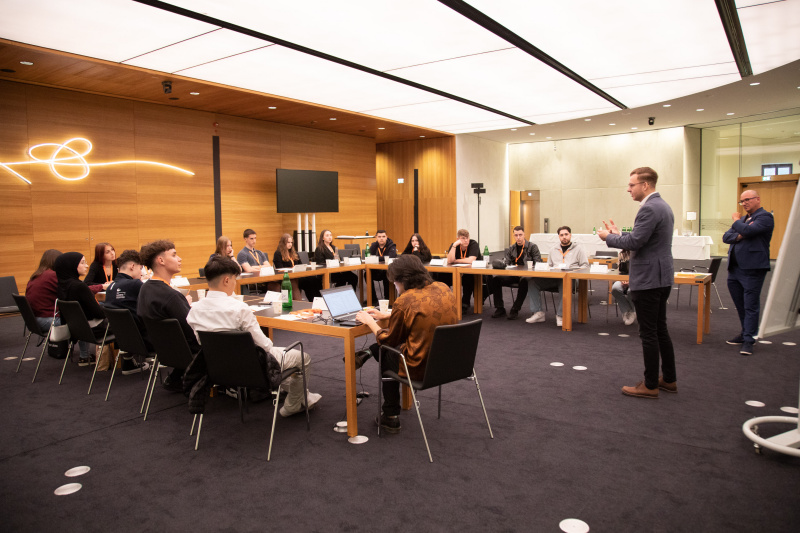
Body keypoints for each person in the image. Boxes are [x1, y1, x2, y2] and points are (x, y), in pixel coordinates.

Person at [187, 256, 321, 416]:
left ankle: (303, 396)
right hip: (251, 369)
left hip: (215, 368)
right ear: (226, 280)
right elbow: (265, 346)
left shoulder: (194, 310)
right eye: (235, 280)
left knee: (280, 362)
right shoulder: (239, 308)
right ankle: (293, 405)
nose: (235, 283)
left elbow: (202, 341)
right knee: (302, 358)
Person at [355, 254, 457, 433]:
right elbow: (425, 311)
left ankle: (390, 416)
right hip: (450, 363)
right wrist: (389, 314)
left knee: (385, 352)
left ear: (402, 280)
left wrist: (369, 321)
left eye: (394, 281)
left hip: (421, 366)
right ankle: (368, 353)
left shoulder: (405, 300)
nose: (394, 285)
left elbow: (388, 340)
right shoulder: (442, 287)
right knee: (397, 345)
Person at [598, 166, 676, 399]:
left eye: (632, 185)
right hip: (661, 277)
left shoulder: (649, 208)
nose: (628, 189)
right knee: (660, 330)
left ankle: (650, 385)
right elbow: (642, 241)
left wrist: (609, 237)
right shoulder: (663, 206)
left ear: (645, 185)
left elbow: (636, 241)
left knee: (649, 333)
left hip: (649, 279)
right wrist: (620, 234)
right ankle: (669, 379)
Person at [137, 240, 196, 392]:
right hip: (188, 352)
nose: (179, 259)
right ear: (161, 260)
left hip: (164, 350)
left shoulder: (145, 288)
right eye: (174, 255)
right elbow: (193, 330)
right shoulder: (171, 296)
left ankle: (177, 377)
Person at [722, 189, 774, 356]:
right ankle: (745, 332)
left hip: (753, 269)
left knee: (751, 305)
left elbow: (749, 232)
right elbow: (726, 237)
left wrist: (737, 222)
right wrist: (740, 233)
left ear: (757, 199)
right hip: (735, 269)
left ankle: (749, 340)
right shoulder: (744, 220)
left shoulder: (765, 217)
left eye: (747, 200)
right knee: (740, 304)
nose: (744, 203)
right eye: (742, 201)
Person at [526, 226, 588, 326]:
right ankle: (538, 313)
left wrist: (573, 270)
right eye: (561, 235)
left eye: (566, 234)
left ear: (570, 235)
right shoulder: (553, 249)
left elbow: (585, 266)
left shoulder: (579, 249)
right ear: (558, 236)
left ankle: (561, 315)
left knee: (565, 283)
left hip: (571, 278)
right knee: (532, 282)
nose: (564, 237)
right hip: (554, 277)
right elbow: (549, 266)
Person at [54, 252, 107, 366]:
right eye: (83, 263)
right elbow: (99, 314)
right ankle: (129, 361)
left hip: (76, 329)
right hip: (93, 328)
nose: (87, 266)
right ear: (71, 266)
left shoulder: (62, 285)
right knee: (127, 321)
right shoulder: (79, 286)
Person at [104, 249, 152, 374]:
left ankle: (129, 360)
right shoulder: (135, 284)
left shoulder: (110, 287)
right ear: (132, 266)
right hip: (144, 341)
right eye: (140, 268)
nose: (141, 272)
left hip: (123, 339)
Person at [489, 226, 541, 320]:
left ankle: (515, 309)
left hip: (527, 275)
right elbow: (507, 263)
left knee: (524, 281)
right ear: (513, 236)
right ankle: (500, 308)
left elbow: (538, 263)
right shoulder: (511, 248)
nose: (518, 237)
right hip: (514, 274)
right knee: (496, 279)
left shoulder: (532, 247)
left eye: (520, 235)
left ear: (524, 235)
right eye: (516, 235)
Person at [273, 233, 321, 301]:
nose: (290, 244)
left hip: (297, 275)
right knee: (295, 282)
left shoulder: (294, 252)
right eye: (288, 242)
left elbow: (300, 264)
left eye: (291, 242)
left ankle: (316, 301)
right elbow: (279, 268)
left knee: (312, 279)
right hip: (286, 277)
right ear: (283, 243)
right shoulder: (278, 253)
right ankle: (300, 303)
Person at [446, 228, 483, 311]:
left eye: (467, 238)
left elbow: (471, 260)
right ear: (458, 239)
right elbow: (449, 260)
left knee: (468, 277)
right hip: (457, 272)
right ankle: (447, 301)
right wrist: (454, 245)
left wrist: (456, 261)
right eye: (463, 238)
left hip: (476, 273)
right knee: (443, 277)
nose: (466, 240)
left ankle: (465, 303)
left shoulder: (473, 244)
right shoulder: (454, 245)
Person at [26, 249, 62, 331]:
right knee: (82, 322)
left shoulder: (36, 275)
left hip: (34, 320)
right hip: (48, 320)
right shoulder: (51, 275)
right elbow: (72, 290)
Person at [367, 230, 397, 303]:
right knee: (367, 275)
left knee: (386, 274)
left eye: (383, 236)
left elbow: (391, 256)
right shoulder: (374, 245)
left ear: (386, 237)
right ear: (376, 237)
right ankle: (373, 299)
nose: (381, 238)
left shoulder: (391, 245)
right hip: (377, 270)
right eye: (379, 237)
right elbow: (368, 256)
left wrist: (377, 258)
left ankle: (388, 299)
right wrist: (383, 257)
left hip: (386, 270)